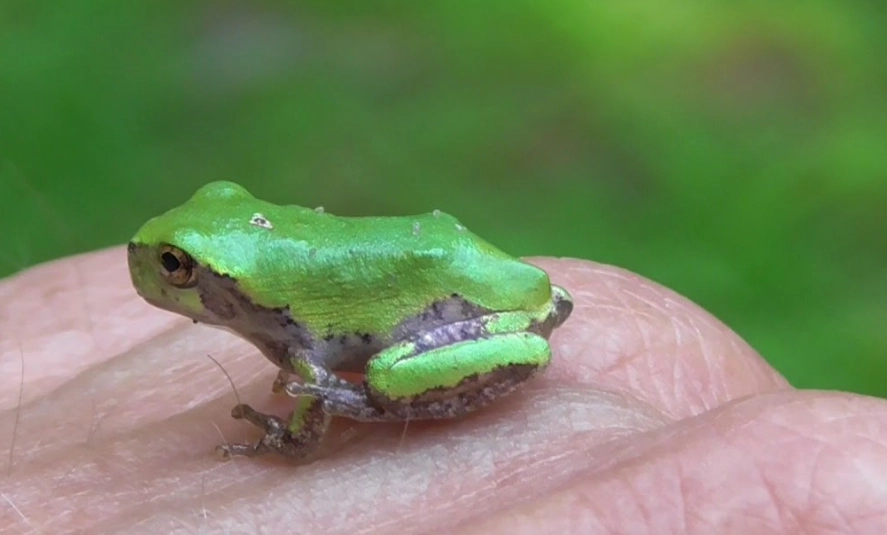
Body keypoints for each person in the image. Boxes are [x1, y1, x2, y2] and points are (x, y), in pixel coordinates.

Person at [2, 249, 885, 534]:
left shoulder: (285, 324)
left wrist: (305, 430)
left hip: (477, 320)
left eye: (180, 271)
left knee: (375, 374)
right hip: (478, 274)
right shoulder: (270, 300)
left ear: (228, 282)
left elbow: (309, 375)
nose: (167, 281)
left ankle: (381, 399)